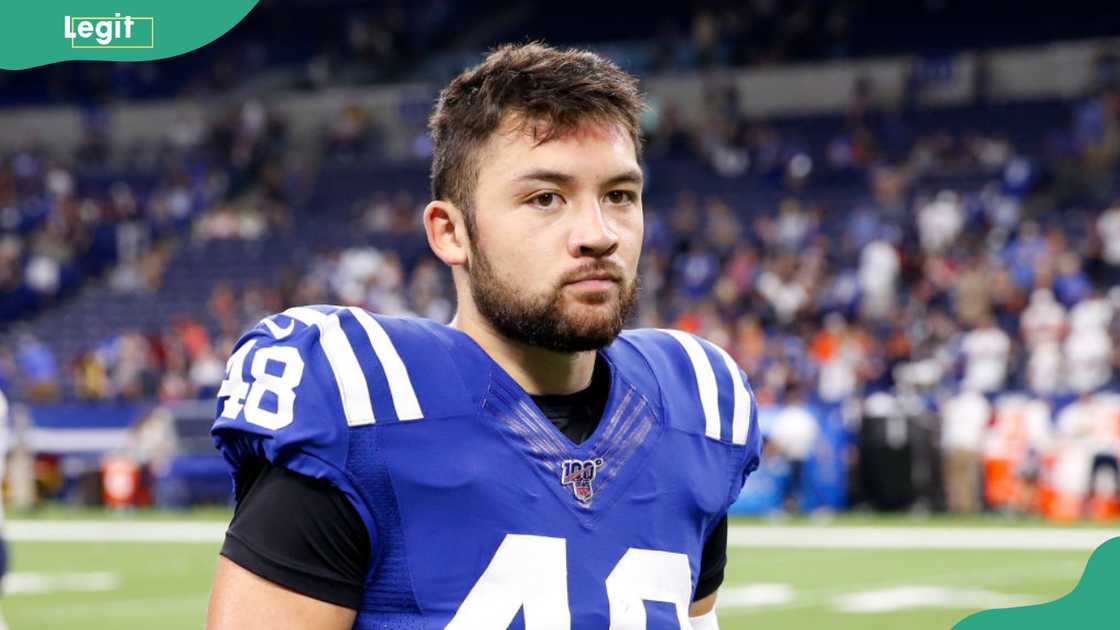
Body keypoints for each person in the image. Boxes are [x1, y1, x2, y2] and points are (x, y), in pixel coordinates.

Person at [206, 43, 761, 630]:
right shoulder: (362, 410)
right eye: (545, 198)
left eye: (619, 196)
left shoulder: (697, 403)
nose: (599, 235)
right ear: (451, 232)